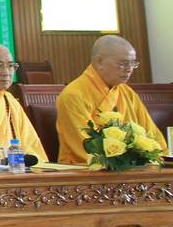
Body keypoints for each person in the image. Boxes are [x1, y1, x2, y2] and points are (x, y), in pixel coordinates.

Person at [56, 35, 166, 164]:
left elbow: (152, 136)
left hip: (133, 167)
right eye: (123, 64)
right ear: (100, 61)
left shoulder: (128, 93)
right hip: (83, 170)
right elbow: (85, 147)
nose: (129, 70)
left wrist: (160, 158)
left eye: (133, 63)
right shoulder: (73, 95)